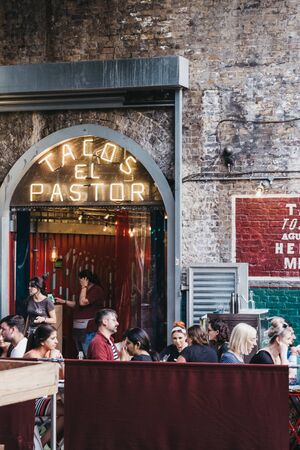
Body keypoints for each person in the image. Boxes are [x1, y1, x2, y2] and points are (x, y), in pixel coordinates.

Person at [24, 324, 64, 447]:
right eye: (52, 338)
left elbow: (62, 377)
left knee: (71, 408)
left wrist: (60, 362)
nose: (56, 342)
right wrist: (52, 361)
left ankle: (46, 443)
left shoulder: (47, 355)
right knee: (69, 410)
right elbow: (43, 382)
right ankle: (42, 443)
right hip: (30, 401)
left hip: (43, 398)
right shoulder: (32, 356)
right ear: (42, 341)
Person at [56, 269, 105, 357]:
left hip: (88, 329)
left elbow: (83, 302)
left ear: (86, 279)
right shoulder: (85, 290)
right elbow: (78, 304)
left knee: (88, 353)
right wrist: (64, 301)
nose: (80, 282)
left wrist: (84, 287)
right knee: (81, 355)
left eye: (80, 280)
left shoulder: (96, 289)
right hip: (78, 330)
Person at [25, 275, 56, 341]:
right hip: (31, 331)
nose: (29, 288)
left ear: (38, 288)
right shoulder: (29, 299)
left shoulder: (47, 301)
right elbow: (28, 317)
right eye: (29, 286)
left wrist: (43, 319)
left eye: (32, 286)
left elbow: (54, 320)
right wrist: (25, 332)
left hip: (43, 332)